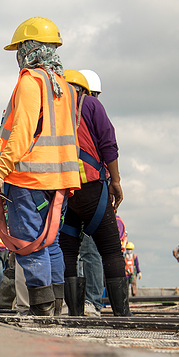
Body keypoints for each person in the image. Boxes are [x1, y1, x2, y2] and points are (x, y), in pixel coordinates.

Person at [0, 17, 80, 317]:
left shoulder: (30, 81)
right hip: (61, 182)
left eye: (19, 49)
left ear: (29, 48)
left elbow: (22, 130)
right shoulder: (64, 86)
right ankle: (56, 310)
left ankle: (41, 313)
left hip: (29, 178)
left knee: (30, 245)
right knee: (51, 245)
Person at [58, 69, 131, 317]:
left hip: (61, 189)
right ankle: (122, 313)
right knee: (110, 248)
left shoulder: (49, 109)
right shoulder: (89, 104)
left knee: (68, 250)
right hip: (89, 186)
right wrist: (116, 181)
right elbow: (108, 144)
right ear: (84, 89)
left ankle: (75, 312)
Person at [76, 69, 106, 316]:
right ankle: (83, 301)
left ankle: (92, 301)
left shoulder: (91, 112)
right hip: (80, 187)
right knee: (80, 249)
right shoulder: (86, 113)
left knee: (88, 248)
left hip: (91, 186)